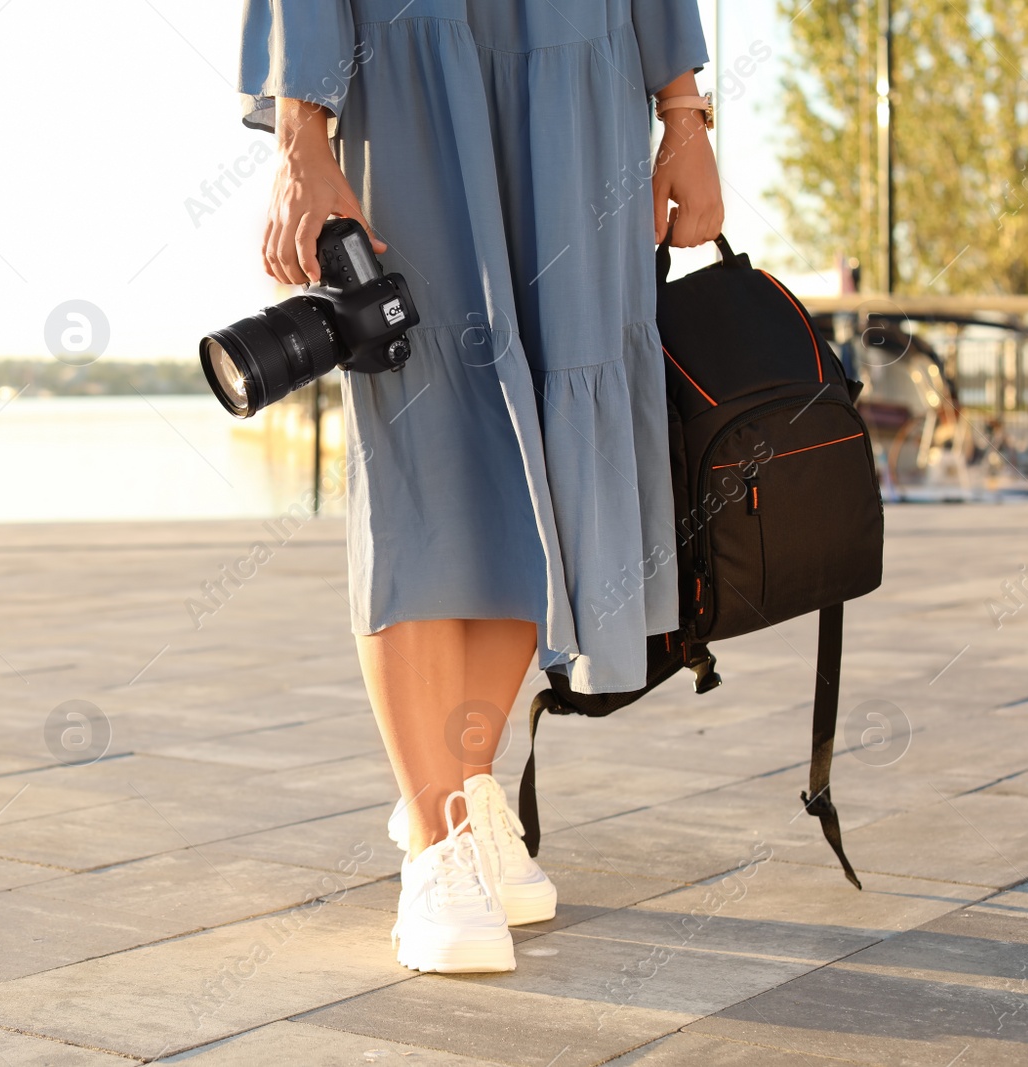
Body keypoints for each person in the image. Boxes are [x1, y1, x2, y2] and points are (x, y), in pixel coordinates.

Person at [238, 0, 723, 973]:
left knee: (544, 437)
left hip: (585, 70)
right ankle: (435, 838)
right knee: (426, 428)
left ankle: (463, 784)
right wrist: (303, 131)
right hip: (412, 61)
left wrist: (682, 111)